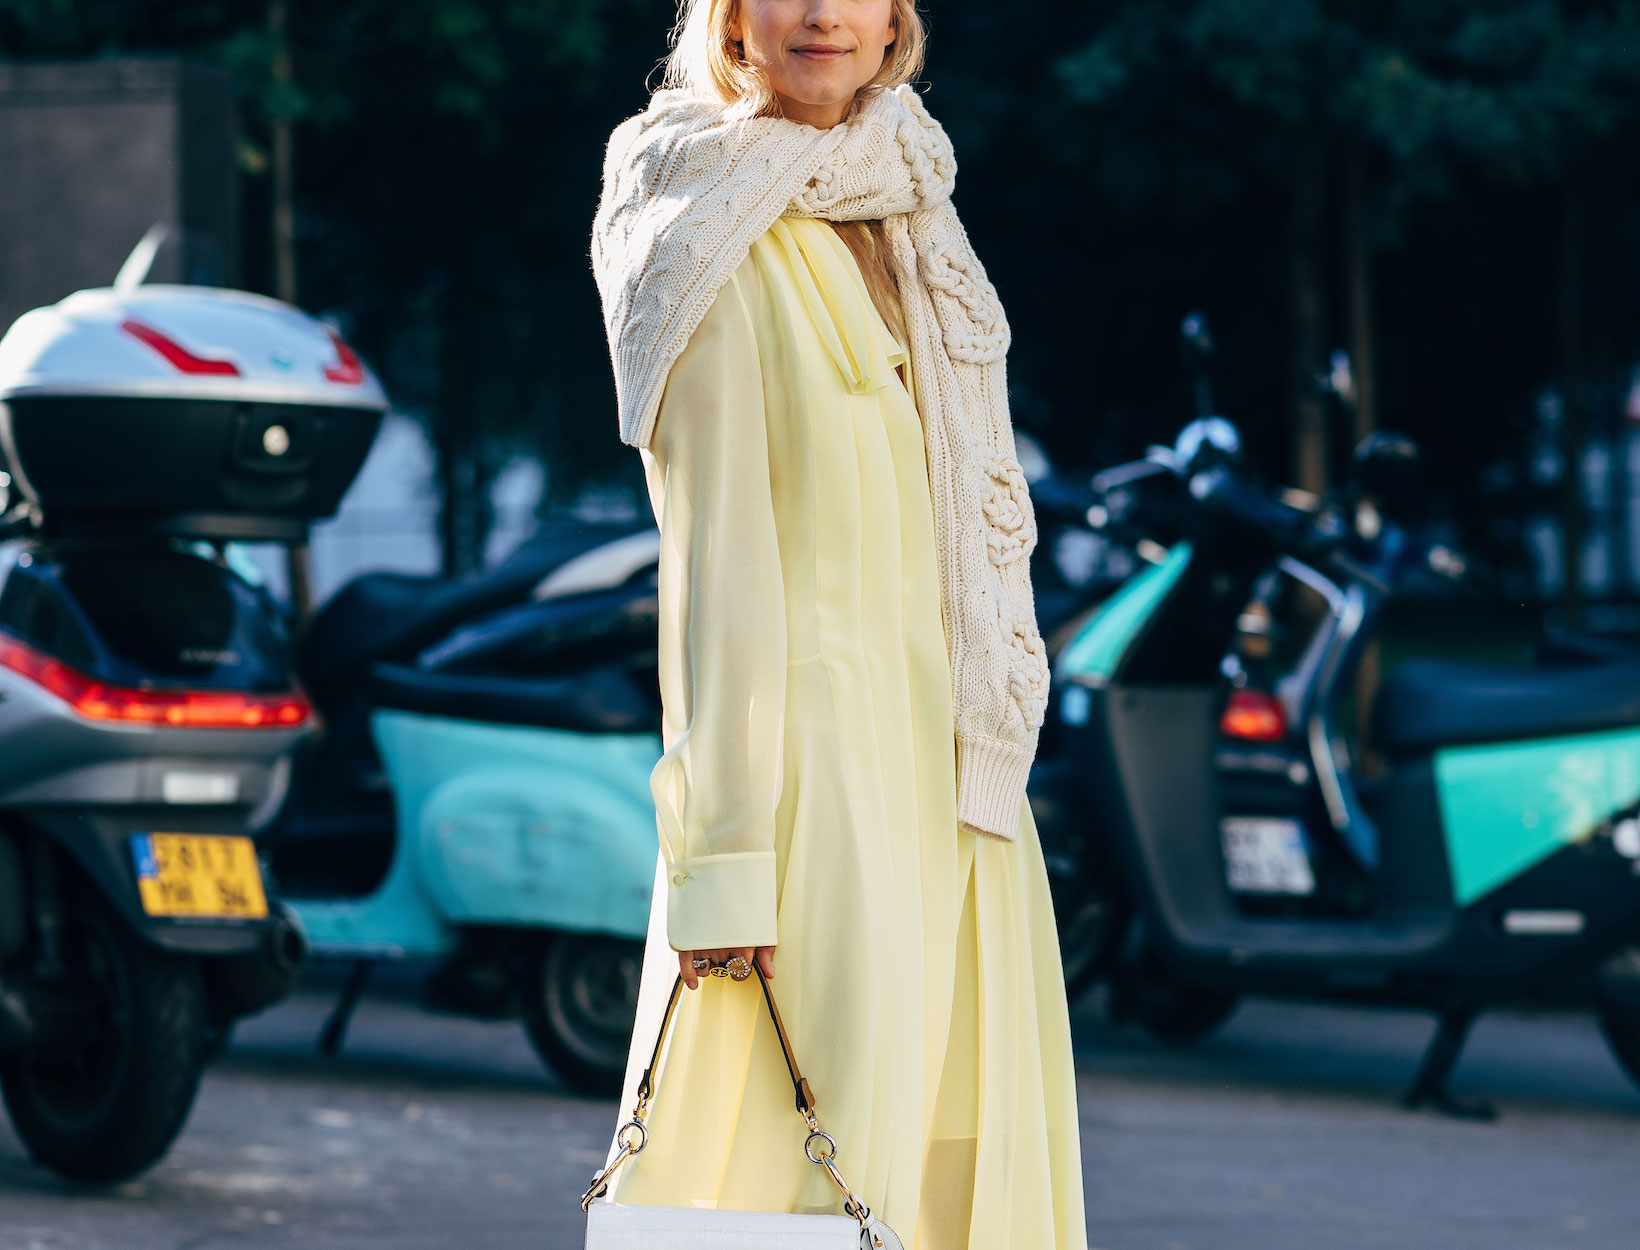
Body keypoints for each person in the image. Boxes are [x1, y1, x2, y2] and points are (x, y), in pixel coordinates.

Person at [589, 2, 1087, 1246]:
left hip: (965, 786)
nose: (822, 14)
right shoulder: (699, 227)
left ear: (894, 21)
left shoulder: (912, 201)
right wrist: (728, 867)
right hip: (819, 799)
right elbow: (716, 573)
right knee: (818, 1179)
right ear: (730, 19)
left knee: (946, 1189)